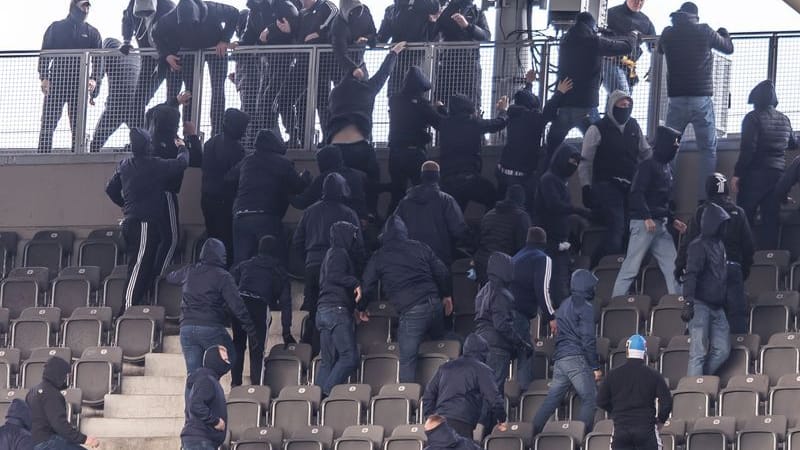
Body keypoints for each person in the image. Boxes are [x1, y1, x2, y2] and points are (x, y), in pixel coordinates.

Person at [361, 215, 453, 382]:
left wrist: (361, 308)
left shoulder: (379, 256)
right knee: (442, 345)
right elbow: (442, 272)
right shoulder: (420, 247)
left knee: (407, 360)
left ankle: (408, 399)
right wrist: (446, 295)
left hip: (412, 311)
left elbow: (367, 286)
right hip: (434, 304)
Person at [105, 128, 190, 309]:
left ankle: (136, 304)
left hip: (130, 222)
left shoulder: (125, 164)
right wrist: (183, 148)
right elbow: (181, 164)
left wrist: (124, 205)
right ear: (148, 146)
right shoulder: (155, 165)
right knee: (138, 267)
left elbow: (110, 189)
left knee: (143, 265)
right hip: (143, 224)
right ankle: (126, 310)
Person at [658, 1, 734, 201]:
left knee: (669, 150)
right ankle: (706, 199)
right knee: (708, 149)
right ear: (695, 16)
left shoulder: (668, 32)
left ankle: (666, 197)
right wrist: (724, 33)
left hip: (676, 100)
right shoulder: (705, 31)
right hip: (701, 100)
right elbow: (728, 48)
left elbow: (659, 50)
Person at [327, 42, 405, 216]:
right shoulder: (367, 89)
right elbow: (384, 73)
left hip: (335, 147)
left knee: (336, 186)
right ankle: (370, 215)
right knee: (371, 182)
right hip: (359, 146)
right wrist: (393, 52)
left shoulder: (336, 93)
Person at [167, 238, 260, 379]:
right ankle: (209, 382)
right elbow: (237, 305)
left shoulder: (189, 271)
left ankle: (197, 395)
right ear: (222, 255)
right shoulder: (223, 276)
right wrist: (251, 330)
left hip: (186, 328)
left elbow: (170, 278)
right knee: (230, 356)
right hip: (210, 327)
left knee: (192, 375)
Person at [544, 11, 632, 157]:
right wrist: (633, 37)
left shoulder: (565, 40)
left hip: (564, 104)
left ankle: (545, 174)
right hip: (586, 106)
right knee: (600, 144)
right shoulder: (593, 41)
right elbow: (624, 47)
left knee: (552, 146)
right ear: (591, 26)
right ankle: (599, 177)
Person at [579, 90, 652, 267]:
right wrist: (586, 187)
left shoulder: (634, 126)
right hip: (606, 186)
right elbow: (585, 162)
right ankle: (597, 267)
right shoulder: (597, 128)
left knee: (633, 229)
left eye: (628, 105)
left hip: (630, 187)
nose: (625, 108)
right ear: (612, 106)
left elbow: (646, 152)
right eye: (621, 104)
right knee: (617, 228)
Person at [611, 126, 686, 298]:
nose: (676, 148)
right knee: (631, 266)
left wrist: (672, 219)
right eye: (673, 144)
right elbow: (637, 192)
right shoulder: (647, 166)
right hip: (645, 224)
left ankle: (678, 302)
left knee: (673, 266)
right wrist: (646, 217)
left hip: (660, 224)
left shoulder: (667, 168)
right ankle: (617, 300)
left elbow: (661, 200)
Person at [676, 173, 754, 335]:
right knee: (736, 317)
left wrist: (679, 266)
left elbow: (688, 244)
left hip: (707, 273)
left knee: (704, 314)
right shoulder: (738, 213)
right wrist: (742, 270)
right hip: (733, 268)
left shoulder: (701, 213)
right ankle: (740, 355)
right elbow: (749, 247)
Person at [293, 173, 363, 348]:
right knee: (337, 308)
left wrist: (307, 264)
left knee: (313, 308)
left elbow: (297, 242)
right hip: (338, 268)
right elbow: (358, 247)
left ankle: (310, 349)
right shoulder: (349, 214)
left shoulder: (309, 211)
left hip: (313, 266)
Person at [151, 0, 240, 135]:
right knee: (189, 92)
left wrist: (225, 39)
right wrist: (166, 54)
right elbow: (155, 33)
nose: (189, 28)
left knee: (217, 89)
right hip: (189, 51)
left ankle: (216, 133)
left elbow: (234, 13)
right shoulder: (171, 17)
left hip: (215, 48)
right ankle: (188, 133)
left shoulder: (212, 9)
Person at [532, 269, 601, 435]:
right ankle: (580, 437)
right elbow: (588, 339)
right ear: (587, 287)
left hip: (560, 360)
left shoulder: (564, 305)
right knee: (590, 398)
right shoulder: (585, 307)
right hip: (575, 357)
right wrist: (594, 366)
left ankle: (532, 433)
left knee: (552, 400)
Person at [732, 80, 798, 249]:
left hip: (754, 175)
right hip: (777, 175)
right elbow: (792, 143)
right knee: (771, 220)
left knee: (746, 216)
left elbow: (748, 149)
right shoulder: (785, 120)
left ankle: (743, 257)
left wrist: (737, 174)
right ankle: (769, 259)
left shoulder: (752, 118)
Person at [231, 129, 311, 266]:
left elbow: (230, 178)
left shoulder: (247, 161)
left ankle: (238, 286)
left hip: (241, 215)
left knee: (241, 261)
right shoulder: (283, 163)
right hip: (267, 216)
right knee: (273, 261)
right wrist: (305, 178)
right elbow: (297, 187)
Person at [146, 94, 203, 278]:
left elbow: (151, 113)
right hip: (165, 195)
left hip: (148, 195)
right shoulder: (173, 143)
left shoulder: (149, 137)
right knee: (171, 238)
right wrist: (192, 137)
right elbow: (196, 161)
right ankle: (158, 276)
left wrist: (174, 102)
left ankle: (150, 275)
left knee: (154, 238)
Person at [37, 0, 102, 152]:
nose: (86, 9)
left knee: (78, 124)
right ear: (74, 6)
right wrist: (44, 77)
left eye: (88, 6)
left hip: (79, 84)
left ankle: (77, 155)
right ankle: (43, 154)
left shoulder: (92, 32)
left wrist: (94, 80)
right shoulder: (56, 27)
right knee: (48, 121)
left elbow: (99, 59)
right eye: (83, 5)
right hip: (57, 81)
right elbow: (44, 53)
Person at [498, 75, 571, 206]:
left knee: (501, 204)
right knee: (524, 208)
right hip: (522, 176)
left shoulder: (512, 114)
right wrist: (559, 92)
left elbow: (525, 99)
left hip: (503, 172)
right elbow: (548, 111)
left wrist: (529, 84)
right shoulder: (532, 118)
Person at [230, 236, 292, 386]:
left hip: (240, 304)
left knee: (238, 345)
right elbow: (286, 303)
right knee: (257, 349)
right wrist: (286, 331)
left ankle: (235, 384)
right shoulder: (279, 271)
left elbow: (229, 282)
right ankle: (256, 387)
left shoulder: (245, 265)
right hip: (259, 305)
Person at [242, 0, 304, 146]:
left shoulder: (283, 4)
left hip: (286, 60)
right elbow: (249, 36)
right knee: (264, 103)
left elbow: (295, 24)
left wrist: (269, 31)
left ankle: (291, 139)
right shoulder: (255, 11)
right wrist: (237, 46)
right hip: (268, 63)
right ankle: (274, 140)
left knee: (276, 100)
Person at [534, 144, 590, 306]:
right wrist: (578, 211)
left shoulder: (560, 181)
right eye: (571, 161)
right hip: (548, 245)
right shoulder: (548, 179)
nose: (573, 166)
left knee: (562, 285)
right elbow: (555, 205)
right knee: (556, 288)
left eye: (576, 163)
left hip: (560, 244)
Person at [422, 333, 505, 439]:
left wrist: (431, 417)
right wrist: (501, 418)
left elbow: (428, 395)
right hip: (462, 423)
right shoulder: (482, 369)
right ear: (484, 353)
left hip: (440, 423)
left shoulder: (445, 367)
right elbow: (494, 397)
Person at [597, 334, 673, 450]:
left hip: (621, 430)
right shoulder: (653, 375)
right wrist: (661, 420)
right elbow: (667, 402)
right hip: (646, 430)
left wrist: (616, 411)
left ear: (627, 351)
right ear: (644, 352)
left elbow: (600, 400)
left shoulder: (613, 374)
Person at [682, 203, 731, 377]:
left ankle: (702, 381)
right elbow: (690, 274)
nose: (724, 227)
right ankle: (693, 393)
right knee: (698, 353)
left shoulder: (720, 245)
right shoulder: (698, 245)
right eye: (722, 223)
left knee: (723, 350)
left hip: (718, 306)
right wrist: (688, 302)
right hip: (700, 304)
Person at [474, 252, 534, 395]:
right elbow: (501, 325)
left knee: (482, 388)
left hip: (481, 342)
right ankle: (488, 418)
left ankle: (483, 417)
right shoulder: (502, 293)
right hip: (497, 347)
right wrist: (521, 344)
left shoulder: (483, 290)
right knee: (493, 390)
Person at [387, 67, 443, 214]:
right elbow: (440, 124)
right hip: (415, 153)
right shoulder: (423, 105)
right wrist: (440, 109)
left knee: (397, 194)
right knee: (425, 193)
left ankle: (388, 230)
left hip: (395, 153)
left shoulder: (394, 100)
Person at [315, 221, 363, 396]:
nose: (355, 239)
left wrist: (354, 309)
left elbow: (326, 282)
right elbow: (336, 277)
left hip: (323, 311)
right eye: (352, 235)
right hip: (336, 311)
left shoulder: (329, 254)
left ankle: (314, 403)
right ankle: (327, 394)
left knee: (327, 362)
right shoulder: (339, 253)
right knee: (349, 358)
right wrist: (355, 283)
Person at [439, 94, 508, 212]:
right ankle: (488, 226)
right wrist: (503, 111)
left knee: (455, 212)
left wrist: (440, 109)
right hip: (469, 178)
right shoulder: (474, 123)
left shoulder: (444, 123)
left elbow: (450, 120)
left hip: (447, 180)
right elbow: (498, 124)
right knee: (493, 198)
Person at [201, 108, 251, 266]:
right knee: (228, 243)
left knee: (213, 240)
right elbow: (234, 178)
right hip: (226, 201)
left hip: (207, 198)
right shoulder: (237, 150)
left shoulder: (211, 143)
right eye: (243, 128)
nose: (245, 132)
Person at [396, 161, 468, 268]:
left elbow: (394, 227)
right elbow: (458, 229)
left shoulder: (405, 202)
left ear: (421, 176)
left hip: (411, 258)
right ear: (438, 176)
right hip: (439, 258)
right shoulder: (446, 200)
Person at [510, 227, 555, 391]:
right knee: (526, 352)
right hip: (519, 314)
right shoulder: (542, 258)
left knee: (503, 355)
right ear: (544, 242)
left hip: (502, 313)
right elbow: (543, 289)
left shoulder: (515, 257)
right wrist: (551, 316)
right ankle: (524, 394)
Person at [121, 0, 176, 128]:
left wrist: (166, 57)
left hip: (171, 57)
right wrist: (126, 40)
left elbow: (176, 35)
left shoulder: (168, 7)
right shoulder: (133, 5)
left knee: (173, 98)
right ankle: (140, 138)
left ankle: (171, 138)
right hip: (149, 58)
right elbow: (127, 20)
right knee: (138, 101)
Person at [28, 358, 99, 449]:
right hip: (46, 442)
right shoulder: (52, 394)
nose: (66, 379)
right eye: (65, 375)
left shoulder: (32, 391)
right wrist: (85, 439)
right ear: (58, 374)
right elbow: (59, 424)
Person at [432, 0, 490, 110]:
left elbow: (486, 36)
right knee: (443, 102)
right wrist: (433, 21)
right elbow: (431, 35)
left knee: (471, 103)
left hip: (469, 66)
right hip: (447, 65)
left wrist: (468, 26)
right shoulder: (445, 11)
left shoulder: (477, 12)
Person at [376, 0, 439, 99]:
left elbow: (435, 7)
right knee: (394, 94)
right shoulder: (391, 10)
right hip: (398, 59)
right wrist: (369, 38)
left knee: (417, 94)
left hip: (418, 58)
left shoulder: (423, 7)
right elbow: (382, 37)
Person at [89, 38, 142, 152]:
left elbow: (100, 70)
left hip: (117, 104)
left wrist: (94, 93)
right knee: (145, 138)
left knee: (95, 144)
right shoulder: (135, 55)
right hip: (136, 103)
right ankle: (131, 149)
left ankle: (92, 156)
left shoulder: (109, 47)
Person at [474, 186, 531, 285]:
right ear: (522, 200)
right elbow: (524, 247)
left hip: (483, 264)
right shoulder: (521, 217)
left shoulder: (489, 214)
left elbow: (478, 241)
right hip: (503, 266)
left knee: (486, 297)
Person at [292, 145, 368, 219]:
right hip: (357, 220)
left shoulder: (326, 177)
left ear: (324, 162)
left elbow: (302, 203)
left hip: (333, 223)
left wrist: (287, 190)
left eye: (319, 162)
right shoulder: (355, 175)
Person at [181, 345, 231, 450]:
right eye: (225, 359)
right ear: (215, 360)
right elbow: (196, 405)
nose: (228, 363)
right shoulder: (206, 380)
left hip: (201, 440)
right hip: (201, 441)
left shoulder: (207, 379)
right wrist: (215, 421)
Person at [603, 0, 656, 94]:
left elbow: (654, 46)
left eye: (642, 0)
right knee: (622, 96)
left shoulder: (645, 21)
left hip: (629, 67)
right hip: (609, 62)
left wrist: (654, 67)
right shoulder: (610, 14)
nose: (638, 2)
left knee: (621, 102)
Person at [330, 0, 376, 77]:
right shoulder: (338, 24)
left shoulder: (365, 12)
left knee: (364, 86)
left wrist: (367, 39)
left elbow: (373, 33)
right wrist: (353, 68)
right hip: (340, 66)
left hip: (359, 62)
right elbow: (339, 51)